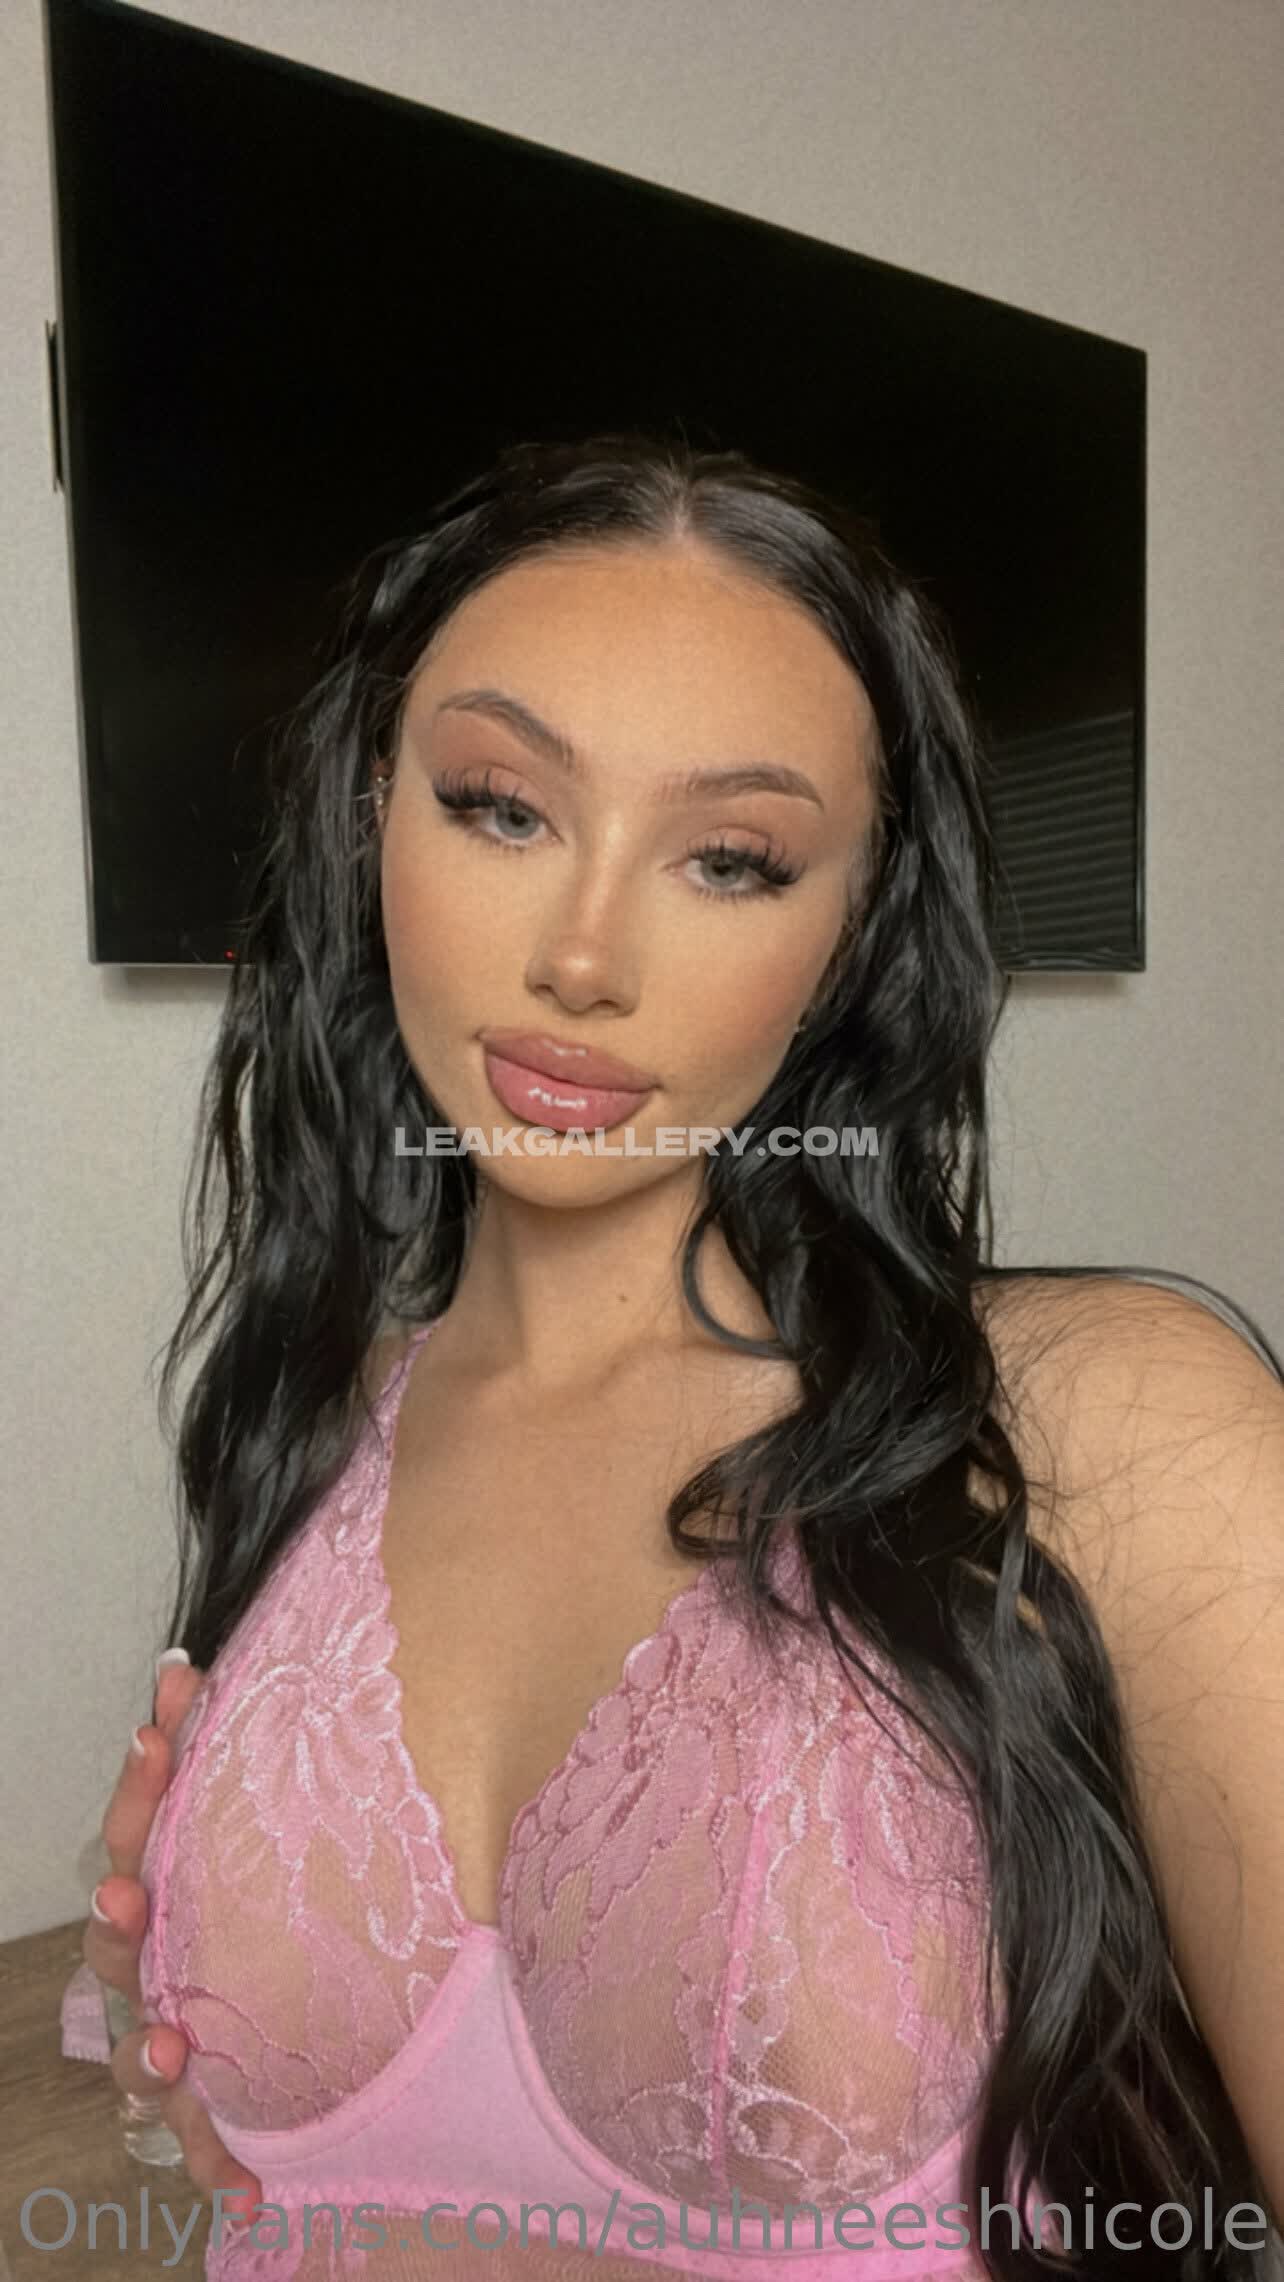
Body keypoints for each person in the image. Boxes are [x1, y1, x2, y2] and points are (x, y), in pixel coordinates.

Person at [75, 431, 1283, 2280]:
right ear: (371, 812)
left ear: (855, 933)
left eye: (730, 858)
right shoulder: (313, 1419)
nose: (583, 956)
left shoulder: (1121, 1426)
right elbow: (267, 2177)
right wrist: (177, 2036)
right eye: (502, 807)